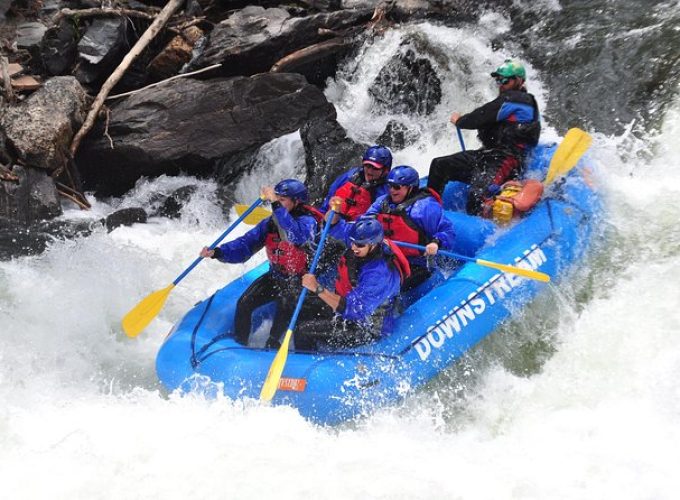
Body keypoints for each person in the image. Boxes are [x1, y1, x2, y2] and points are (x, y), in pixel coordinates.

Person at [200, 179, 321, 348]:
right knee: (244, 303)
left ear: (297, 201)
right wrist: (218, 252)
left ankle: (273, 343)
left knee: (286, 301)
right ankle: (239, 345)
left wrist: (274, 204)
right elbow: (245, 245)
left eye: (282, 200)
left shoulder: (308, 222)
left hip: (301, 281)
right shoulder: (270, 223)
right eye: (276, 198)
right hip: (277, 275)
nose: (277, 202)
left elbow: (294, 236)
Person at [427, 59, 541, 215]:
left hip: (507, 159)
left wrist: (460, 121)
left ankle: (494, 216)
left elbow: (482, 115)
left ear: (519, 81)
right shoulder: (512, 100)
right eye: (498, 80)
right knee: (439, 165)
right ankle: (427, 211)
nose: (501, 84)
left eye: (505, 80)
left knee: (476, 199)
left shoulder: (519, 100)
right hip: (487, 155)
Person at [296, 216, 409, 350]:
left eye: (360, 245)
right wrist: (332, 221)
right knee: (301, 305)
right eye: (352, 242)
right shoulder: (361, 242)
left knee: (302, 331)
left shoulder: (378, 274)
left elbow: (354, 310)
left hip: (367, 326)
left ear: (373, 244)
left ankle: (311, 365)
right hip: (349, 305)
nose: (354, 247)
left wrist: (317, 288)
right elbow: (339, 229)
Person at [363, 165, 456, 291]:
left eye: (397, 187)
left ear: (410, 188)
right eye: (389, 186)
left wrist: (436, 242)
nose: (391, 190)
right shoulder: (382, 202)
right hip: (388, 257)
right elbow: (365, 222)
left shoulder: (424, 207)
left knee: (386, 285)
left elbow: (447, 231)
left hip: (417, 263)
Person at [319, 145, 393, 221]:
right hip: (333, 224)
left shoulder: (388, 192)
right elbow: (329, 198)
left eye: (375, 168)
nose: (369, 171)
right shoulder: (349, 176)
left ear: (386, 170)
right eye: (367, 166)